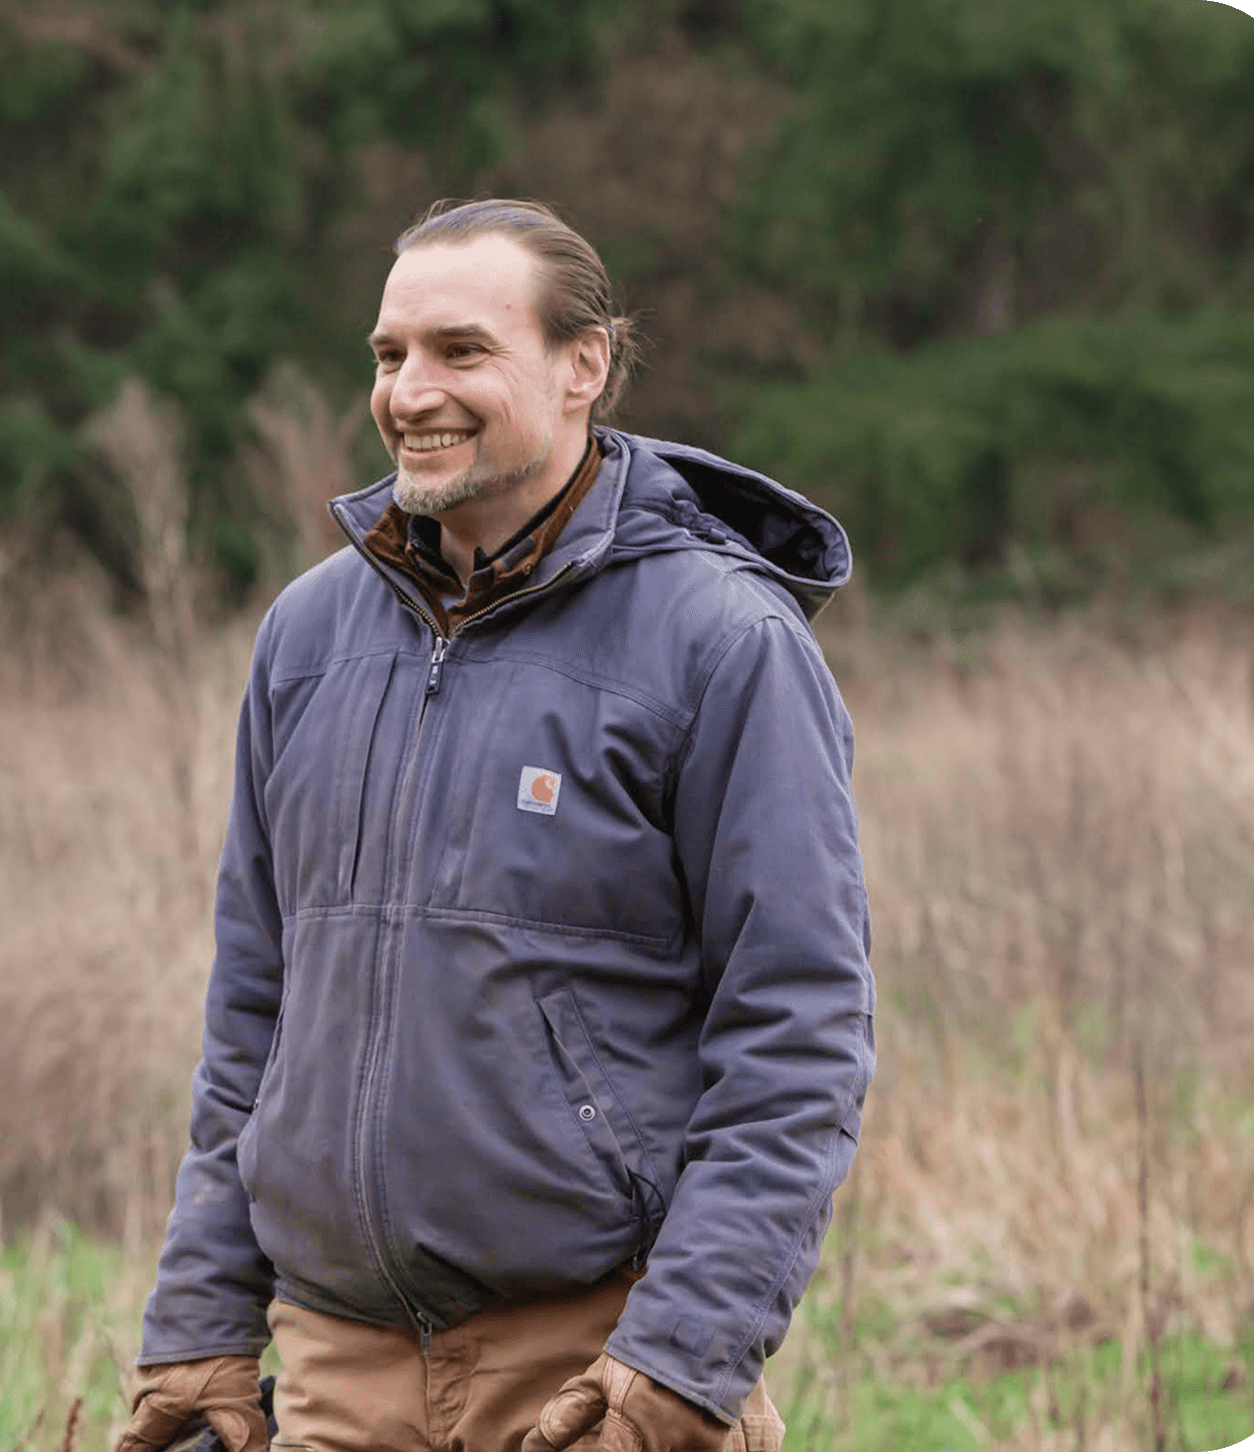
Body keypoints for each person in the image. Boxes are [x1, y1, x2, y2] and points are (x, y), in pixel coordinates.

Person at [113, 198, 875, 1452]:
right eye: (387, 354)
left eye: (461, 351)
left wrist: (679, 1368)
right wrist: (199, 1326)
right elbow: (256, 1006)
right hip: (331, 1377)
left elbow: (797, 1035)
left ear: (586, 366)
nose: (412, 390)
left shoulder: (723, 643)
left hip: (589, 1374)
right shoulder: (305, 639)